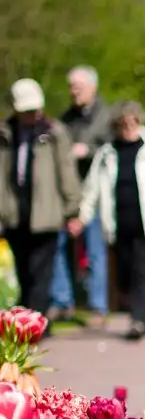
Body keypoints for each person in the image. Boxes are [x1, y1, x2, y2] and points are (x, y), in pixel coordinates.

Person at [71, 101, 145, 340]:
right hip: (118, 226)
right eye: (124, 124)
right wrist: (81, 218)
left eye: (133, 123)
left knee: (142, 272)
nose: (129, 128)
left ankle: (139, 321)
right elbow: (91, 190)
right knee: (125, 277)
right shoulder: (106, 154)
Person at [0, 79, 81, 321]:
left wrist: (72, 210)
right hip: (15, 214)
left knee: (41, 273)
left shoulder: (54, 134)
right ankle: (28, 321)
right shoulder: (5, 134)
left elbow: (67, 172)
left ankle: (34, 322)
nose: (31, 115)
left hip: (47, 214)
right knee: (23, 272)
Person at [52, 66, 111, 326]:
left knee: (95, 249)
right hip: (68, 194)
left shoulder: (107, 117)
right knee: (60, 246)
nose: (73, 91)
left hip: (95, 193)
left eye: (78, 86)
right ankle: (62, 301)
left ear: (93, 87)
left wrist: (86, 150)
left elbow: (110, 150)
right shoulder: (65, 119)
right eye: (70, 86)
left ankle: (98, 306)